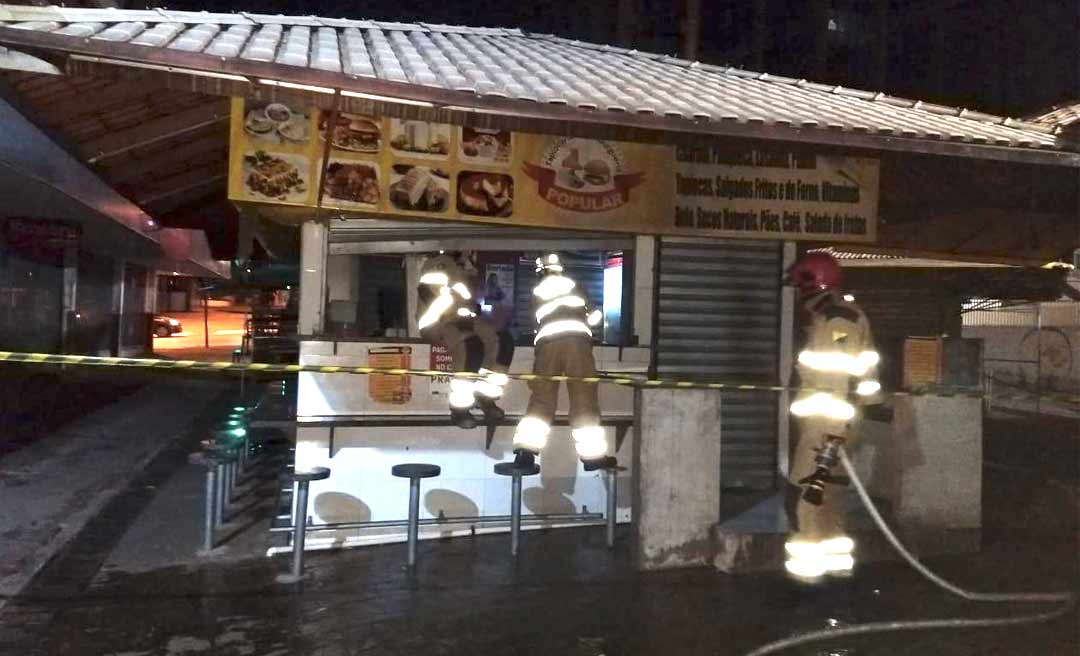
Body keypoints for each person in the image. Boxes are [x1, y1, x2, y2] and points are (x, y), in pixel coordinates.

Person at [784, 252, 880, 582]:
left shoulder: (837, 321)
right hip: (835, 427)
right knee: (831, 497)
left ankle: (807, 577)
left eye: (799, 284)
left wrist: (833, 436)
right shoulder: (836, 317)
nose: (798, 292)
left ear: (813, 283)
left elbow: (841, 376)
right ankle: (837, 569)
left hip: (826, 428)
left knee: (805, 497)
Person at [511, 253, 615, 471]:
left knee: (541, 399)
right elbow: (594, 314)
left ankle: (525, 453)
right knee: (584, 398)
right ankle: (592, 457)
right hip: (577, 342)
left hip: (548, 345)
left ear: (540, 270)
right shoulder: (573, 283)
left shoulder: (536, 291)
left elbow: (534, 322)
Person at [417, 251, 510, 429]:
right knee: (470, 345)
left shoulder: (462, 267)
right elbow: (429, 294)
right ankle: (459, 409)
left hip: (464, 319)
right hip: (437, 321)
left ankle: (486, 396)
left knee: (503, 340)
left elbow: (469, 301)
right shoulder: (438, 265)